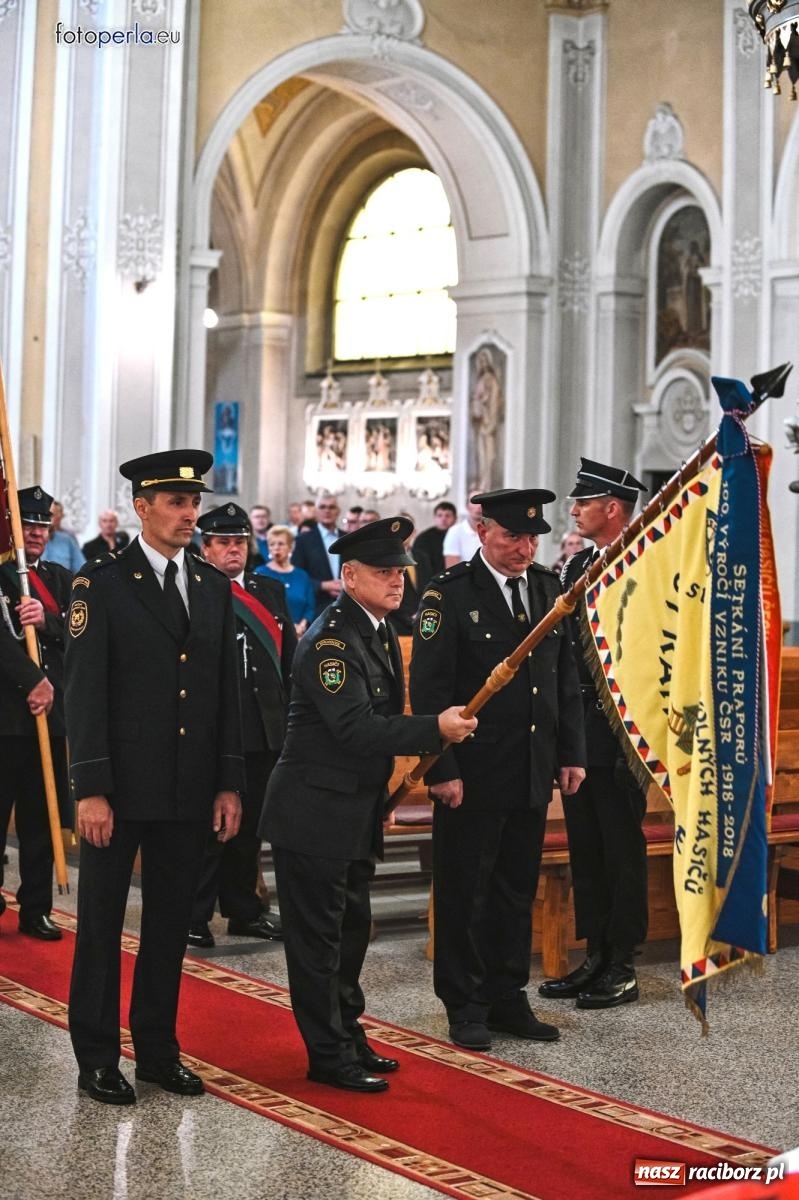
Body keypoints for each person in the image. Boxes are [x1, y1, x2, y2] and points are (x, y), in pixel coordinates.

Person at [261, 517, 477, 1094]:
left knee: (351, 930)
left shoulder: (376, 628)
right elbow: (356, 728)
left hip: (352, 808)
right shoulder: (332, 640)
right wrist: (436, 726)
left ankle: (347, 1033)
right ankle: (326, 1054)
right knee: (318, 941)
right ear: (349, 575)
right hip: (313, 812)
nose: (398, 581)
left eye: (401, 571)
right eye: (384, 572)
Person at [65, 449, 245, 1106]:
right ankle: (96, 1055)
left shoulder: (214, 586)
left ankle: (157, 1049)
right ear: (142, 507)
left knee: (169, 924)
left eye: (193, 502)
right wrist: (89, 788)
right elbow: (84, 696)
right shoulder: (102, 585)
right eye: (175, 501)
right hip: (118, 790)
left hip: (187, 788)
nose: (188, 513)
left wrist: (227, 784)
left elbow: (225, 691)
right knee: (102, 926)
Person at [410, 488, 586, 1052]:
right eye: (513, 536)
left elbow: (563, 680)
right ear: (482, 531)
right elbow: (431, 691)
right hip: (472, 773)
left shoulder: (547, 589)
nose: (525, 547)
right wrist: (441, 768)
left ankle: (508, 994)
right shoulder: (449, 595)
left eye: (534, 537)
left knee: (515, 888)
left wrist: (571, 753)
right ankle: (464, 1004)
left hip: (530, 768)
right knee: (466, 890)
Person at [539, 458, 648, 1010]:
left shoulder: (643, 564)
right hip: (579, 729)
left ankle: (623, 961)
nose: (574, 511)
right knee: (587, 845)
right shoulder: (576, 564)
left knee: (620, 846)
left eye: (583, 503)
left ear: (612, 508)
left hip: (623, 728)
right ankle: (595, 955)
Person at [188, 504, 296, 948]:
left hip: (265, 726)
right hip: (216, 728)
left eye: (240, 542)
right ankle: (193, 915)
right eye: (223, 542)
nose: (234, 550)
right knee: (211, 826)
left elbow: (287, 658)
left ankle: (243, 910)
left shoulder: (268, 591)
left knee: (250, 828)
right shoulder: (194, 590)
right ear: (206, 547)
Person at [0, 486, 73, 941]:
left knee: (41, 818)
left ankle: (36, 907)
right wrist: (34, 682)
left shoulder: (63, 580)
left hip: (51, 717)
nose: (35, 533)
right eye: (27, 525)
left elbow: (81, 636)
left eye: (42, 526)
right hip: (6, 717)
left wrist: (47, 620)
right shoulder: (2, 575)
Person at [255, 524, 316, 637]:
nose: (276, 548)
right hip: (270, 635)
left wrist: (301, 626)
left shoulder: (302, 575)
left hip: (300, 636)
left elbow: (310, 607)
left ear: (291, 547)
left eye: (281, 544)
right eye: (272, 544)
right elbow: (258, 607)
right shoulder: (259, 573)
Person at [290, 494, 344, 619]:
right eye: (322, 507)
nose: (327, 510)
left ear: (338, 511)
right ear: (316, 511)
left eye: (332, 507)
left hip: (346, 608)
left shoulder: (348, 538)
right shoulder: (303, 540)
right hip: (316, 609)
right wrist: (322, 585)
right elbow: (297, 575)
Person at [470, 348, 503, 490]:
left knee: (488, 454)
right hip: (481, 420)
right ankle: (482, 482)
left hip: (488, 420)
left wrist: (484, 404)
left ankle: (487, 483)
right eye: (480, 361)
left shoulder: (490, 378)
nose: (482, 364)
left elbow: (494, 398)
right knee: (481, 455)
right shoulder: (481, 379)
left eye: (484, 361)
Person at [411, 501, 456, 593]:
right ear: (435, 518)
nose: (443, 519)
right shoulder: (423, 539)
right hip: (432, 586)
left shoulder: (459, 536)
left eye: (447, 516)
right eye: (440, 515)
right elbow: (422, 570)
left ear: (455, 518)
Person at [41, 500, 84, 573]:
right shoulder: (29, 539)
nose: (47, 519)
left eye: (51, 515)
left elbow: (82, 570)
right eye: (44, 515)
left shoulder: (67, 540)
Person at [442, 496, 482, 568]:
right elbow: (452, 569)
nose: (479, 506)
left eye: (481, 503)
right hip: (465, 577)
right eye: (475, 503)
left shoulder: (494, 531)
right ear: (467, 507)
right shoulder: (454, 532)